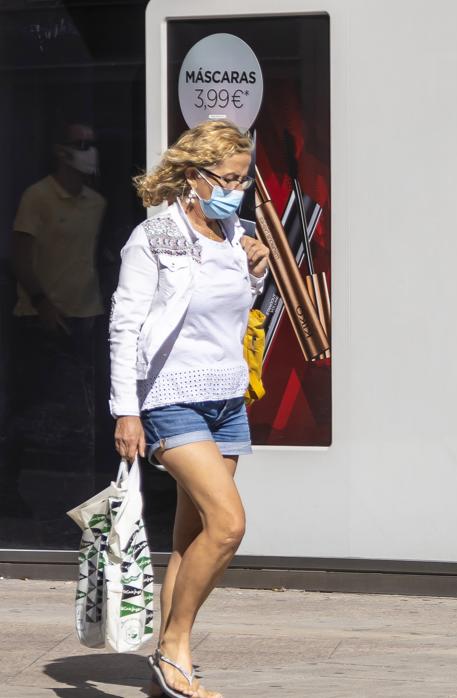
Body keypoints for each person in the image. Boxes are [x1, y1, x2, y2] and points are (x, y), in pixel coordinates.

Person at [110, 119, 269, 698]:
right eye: (228, 177)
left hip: (227, 398)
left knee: (191, 535)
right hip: (171, 398)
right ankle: (176, 642)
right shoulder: (153, 238)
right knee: (228, 525)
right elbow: (125, 326)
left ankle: (168, 667)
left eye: (244, 177)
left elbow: (228, 314)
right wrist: (126, 410)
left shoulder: (239, 234)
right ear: (194, 177)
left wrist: (256, 271)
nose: (238, 186)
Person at [2, 123, 107, 517]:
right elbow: (20, 255)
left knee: (91, 406)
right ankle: (8, 491)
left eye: (93, 144)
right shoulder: (38, 196)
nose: (90, 151)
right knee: (26, 408)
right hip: (39, 317)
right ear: (61, 152)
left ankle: (95, 493)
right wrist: (43, 302)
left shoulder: (97, 202)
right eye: (82, 144)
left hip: (87, 316)